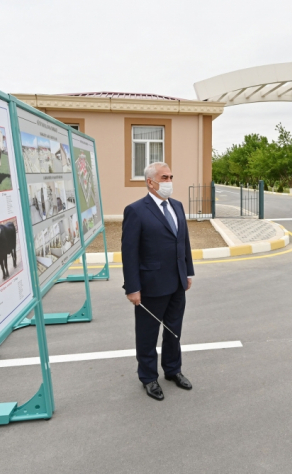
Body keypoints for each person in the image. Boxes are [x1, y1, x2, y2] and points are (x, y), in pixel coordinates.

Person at [122, 162, 195, 401]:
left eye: (171, 176)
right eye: (165, 177)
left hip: (176, 283)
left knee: (174, 331)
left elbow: (183, 242)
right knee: (147, 334)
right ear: (150, 182)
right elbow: (129, 252)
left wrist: (188, 272)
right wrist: (132, 287)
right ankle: (148, 377)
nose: (169, 181)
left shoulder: (177, 206)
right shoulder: (136, 210)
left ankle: (173, 370)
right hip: (151, 285)